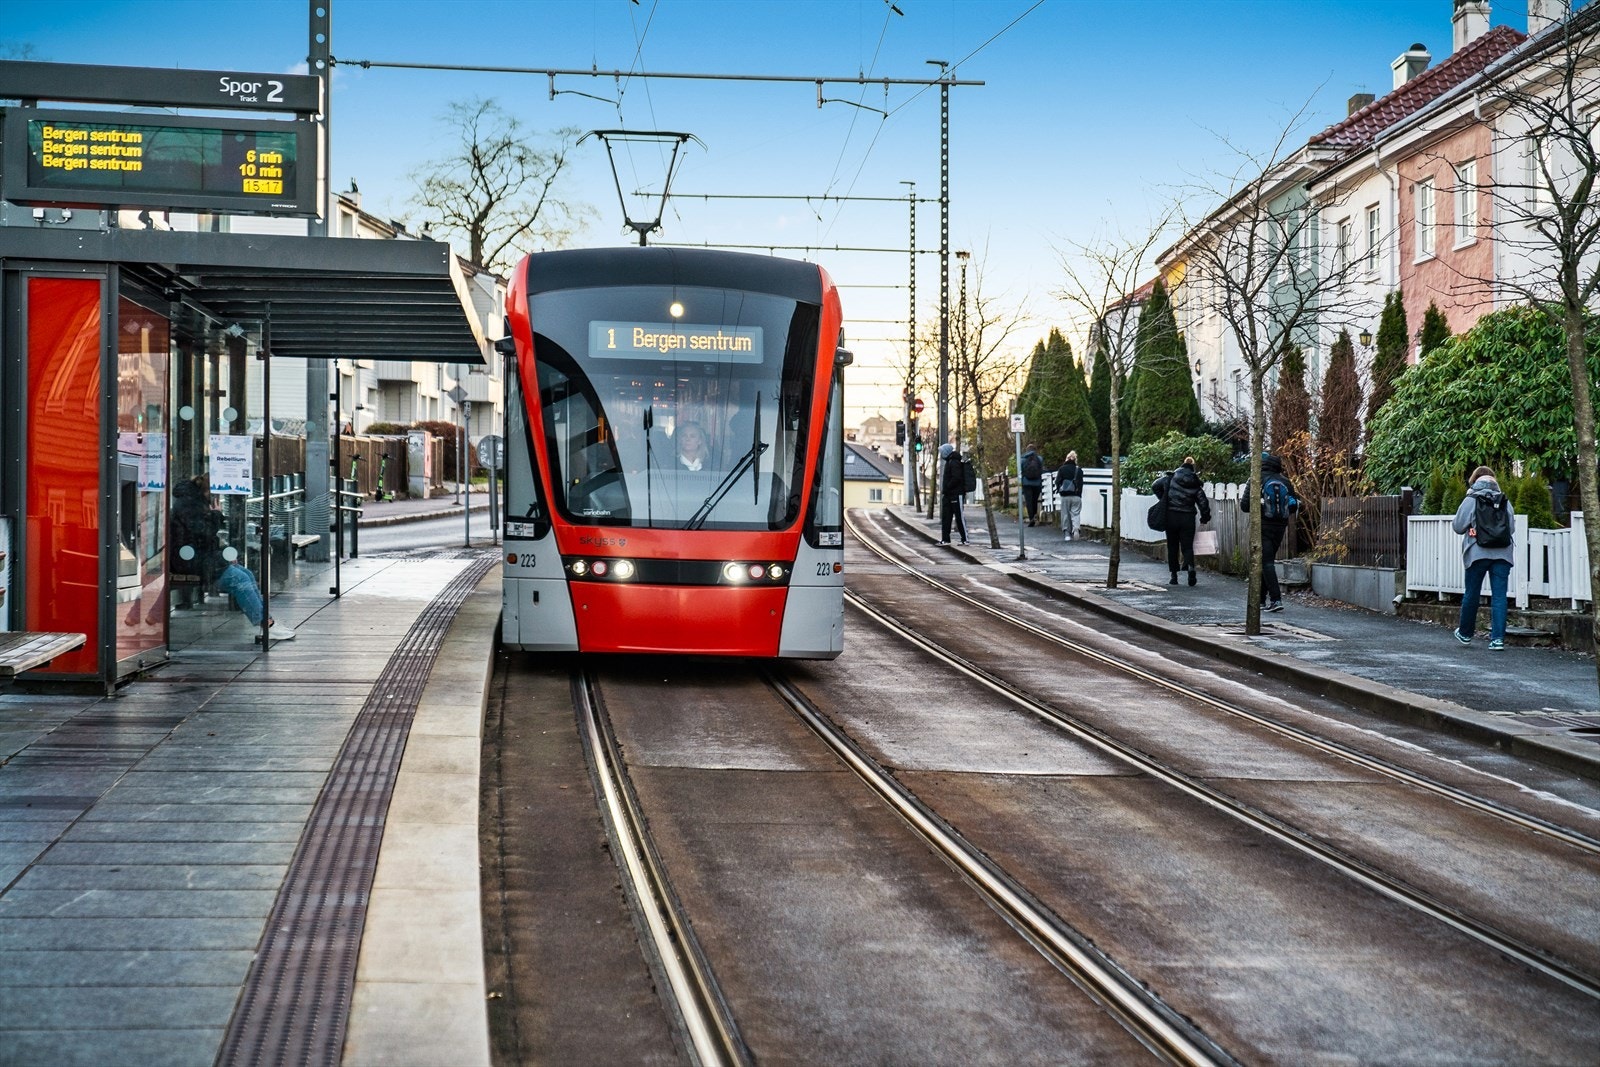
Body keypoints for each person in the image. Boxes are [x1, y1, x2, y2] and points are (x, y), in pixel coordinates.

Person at [170, 476, 294, 640]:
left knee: (246, 574)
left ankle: (267, 621)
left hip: (198, 557)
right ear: (207, 491)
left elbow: (204, 540)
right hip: (189, 561)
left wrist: (223, 555)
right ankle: (266, 624)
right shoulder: (189, 505)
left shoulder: (191, 502)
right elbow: (203, 534)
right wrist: (216, 515)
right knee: (240, 579)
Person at [1452, 465, 1516, 650]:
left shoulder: (1471, 499)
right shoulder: (1504, 500)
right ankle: (1497, 640)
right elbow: (1510, 528)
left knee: (1472, 593)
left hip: (1477, 553)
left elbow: (1457, 526)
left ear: (1474, 481)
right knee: (1499, 596)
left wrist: (1476, 530)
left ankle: (1465, 634)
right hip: (1503, 553)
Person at [1240, 453, 1298, 612]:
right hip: (1280, 526)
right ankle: (1261, 600)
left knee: (1266, 562)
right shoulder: (1285, 481)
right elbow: (1293, 506)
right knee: (1268, 560)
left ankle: (1276, 599)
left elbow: (1244, 506)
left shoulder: (1256, 480)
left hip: (1262, 525)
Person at [1152, 455, 1211, 586]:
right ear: (1192, 467)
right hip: (1188, 517)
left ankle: (1174, 576)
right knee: (1187, 545)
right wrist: (1205, 517)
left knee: (1172, 546)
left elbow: (1155, 485)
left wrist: (1164, 498)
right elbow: (1203, 502)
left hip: (1171, 516)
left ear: (1182, 465)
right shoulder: (1195, 483)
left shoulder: (1170, 478)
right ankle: (1191, 567)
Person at [939, 441, 969, 545]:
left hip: (956, 494)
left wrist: (947, 487)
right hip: (949, 494)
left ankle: (965, 539)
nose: (941, 454)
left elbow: (956, 478)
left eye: (942, 452)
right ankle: (945, 539)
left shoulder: (954, 462)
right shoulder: (950, 461)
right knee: (946, 517)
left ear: (946, 452)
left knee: (959, 516)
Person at [1055, 450, 1084, 541]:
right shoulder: (1079, 470)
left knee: (1065, 514)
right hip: (1076, 496)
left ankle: (1067, 534)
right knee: (1076, 514)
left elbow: (1057, 482)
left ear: (1067, 459)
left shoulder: (1062, 469)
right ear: (1075, 460)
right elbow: (1081, 483)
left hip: (1065, 496)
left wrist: (1060, 489)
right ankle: (1076, 529)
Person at [1019, 443, 1044, 526]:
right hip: (1037, 483)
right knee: (1035, 500)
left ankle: (1031, 518)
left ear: (1027, 450)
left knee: (1028, 501)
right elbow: (1041, 470)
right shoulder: (1039, 459)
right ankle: (1035, 515)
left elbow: (1021, 471)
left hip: (1026, 483)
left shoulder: (1022, 459)